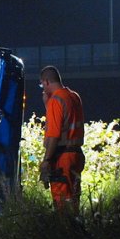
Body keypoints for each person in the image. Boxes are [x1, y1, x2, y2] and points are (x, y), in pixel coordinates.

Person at [38, 65, 85, 211]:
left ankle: (65, 231)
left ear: (46, 82)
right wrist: (48, 105)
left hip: (62, 158)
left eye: (42, 84)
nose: (42, 88)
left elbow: (54, 135)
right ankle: (75, 231)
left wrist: (46, 160)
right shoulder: (74, 96)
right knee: (74, 199)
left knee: (62, 203)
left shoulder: (56, 100)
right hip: (76, 156)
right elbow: (66, 121)